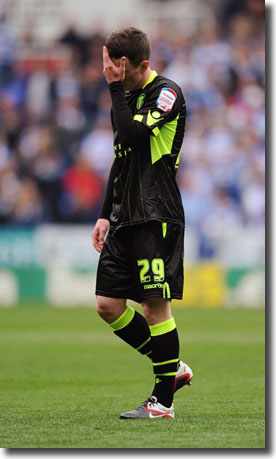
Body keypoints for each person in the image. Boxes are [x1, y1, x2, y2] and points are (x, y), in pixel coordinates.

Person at [92, 27, 193, 419]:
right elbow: (121, 156)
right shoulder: (124, 95)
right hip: (123, 216)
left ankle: (163, 402)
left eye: (120, 71)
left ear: (142, 64)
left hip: (156, 213)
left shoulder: (166, 92)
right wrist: (104, 212)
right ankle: (173, 370)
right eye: (110, 70)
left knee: (154, 309)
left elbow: (135, 134)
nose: (113, 76)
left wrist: (115, 89)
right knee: (107, 305)